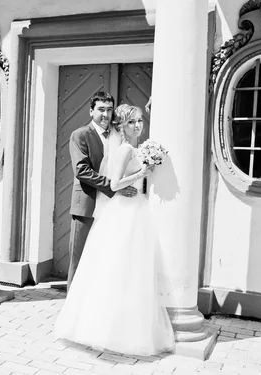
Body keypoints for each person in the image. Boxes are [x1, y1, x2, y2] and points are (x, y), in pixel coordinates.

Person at [56, 104, 175, 357]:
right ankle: (104, 328)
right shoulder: (124, 149)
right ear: (122, 126)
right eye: (132, 122)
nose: (137, 126)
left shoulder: (137, 148)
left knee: (133, 271)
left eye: (140, 121)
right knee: (116, 268)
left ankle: (127, 325)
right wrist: (141, 173)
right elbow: (115, 183)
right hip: (124, 210)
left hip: (138, 209)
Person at [67, 92, 137, 290]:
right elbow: (82, 170)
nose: (105, 114)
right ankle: (72, 303)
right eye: (101, 109)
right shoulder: (80, 134)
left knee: (103, 257)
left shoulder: (118, 134)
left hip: (112, 208)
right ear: (91, 111)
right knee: (78, 257)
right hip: (87, 205)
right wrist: (115, 187)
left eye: (109, 109)